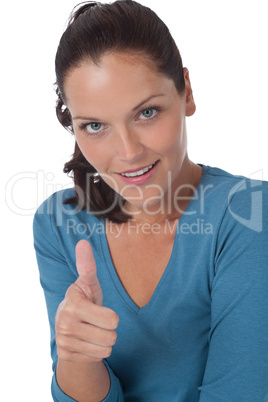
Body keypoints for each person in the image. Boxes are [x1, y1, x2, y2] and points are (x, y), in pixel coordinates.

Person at [33, 1, 268, 401]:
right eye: (94, 126)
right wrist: (76, 358)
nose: (127, 152)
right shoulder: (58, 223)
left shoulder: (248, 214)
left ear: (187, 93)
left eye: (146, 112)